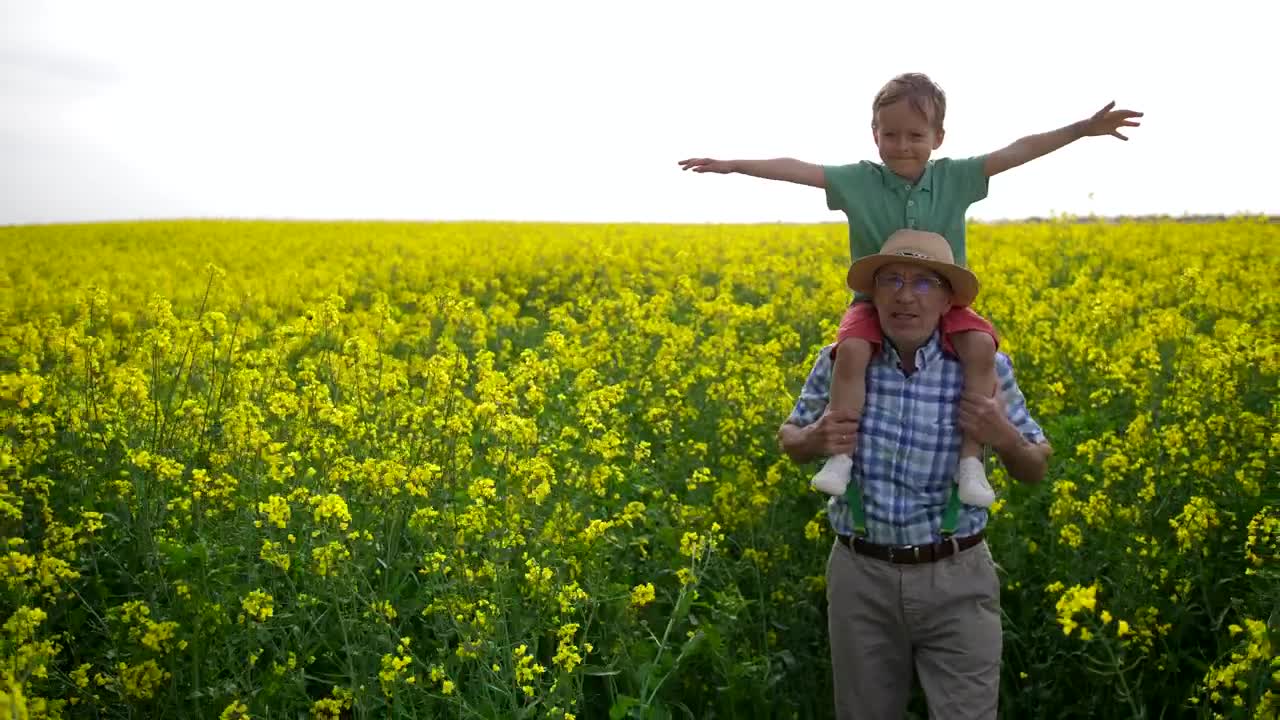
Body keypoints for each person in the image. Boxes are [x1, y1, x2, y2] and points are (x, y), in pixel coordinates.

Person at [680, 72, 1137, 508]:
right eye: (891, 135)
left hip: (945, 300)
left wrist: (1081, 129)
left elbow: (1018, 150)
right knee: (851, 351)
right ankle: (841, 457)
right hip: (873, 303)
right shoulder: (858, 180)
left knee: (981, 346)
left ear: (939, 137)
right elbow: (797, 169)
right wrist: (735, 166)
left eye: (915, 135)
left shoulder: (956, 178)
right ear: (874, 134)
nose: (902, 146)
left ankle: (971, 462)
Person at [777, 229, 1052, 720]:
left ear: (948, 300)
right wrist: (815, 438)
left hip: (958, 577)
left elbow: (1035, 465)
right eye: (892, 280)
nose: (906, 296)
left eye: (925, 282)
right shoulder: (841, 359)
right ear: (873, 294)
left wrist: (1004, 436)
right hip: (861, 577)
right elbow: (791, 438)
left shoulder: (986, 366)